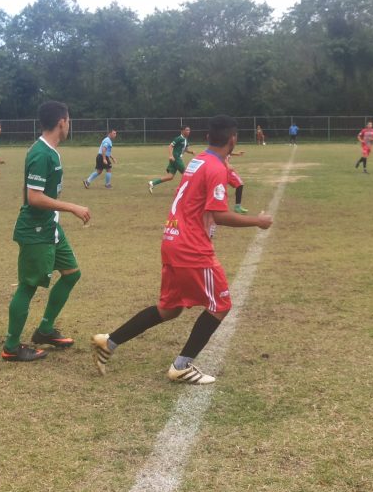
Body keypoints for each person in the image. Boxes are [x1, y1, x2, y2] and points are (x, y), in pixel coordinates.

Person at [92, 115, 273, 384]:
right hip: (191, 246)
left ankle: (110, 341)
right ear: (232, 140)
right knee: (221, 304)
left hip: (172, 238)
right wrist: (257, 222)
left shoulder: (199, 159)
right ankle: (181, 365)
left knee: (169, 309)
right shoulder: (215, 168)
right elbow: (219, 214)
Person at [2, 101, 91, 362]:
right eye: (69, 120)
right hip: (36, 229)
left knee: (72, 273)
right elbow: (34, 197)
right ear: (61, 122)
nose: (69, 124)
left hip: (50, 225)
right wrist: (72, 207)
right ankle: (11, 346)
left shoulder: (49, 150)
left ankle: (44, 329)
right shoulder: (42, 153)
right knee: (28, 286)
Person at [148, 126, 194, 193]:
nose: (188, 131)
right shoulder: (179, 138)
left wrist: (191, 152)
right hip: (176, 158)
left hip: (176, 159)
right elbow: (170, 146)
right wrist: (171, 156)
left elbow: (186, 150)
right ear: (182, 131)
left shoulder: (186, 140)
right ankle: (183, 190)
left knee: (170, 176)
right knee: (186, 174)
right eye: (187, 130)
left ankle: (152, 183)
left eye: (189, 130)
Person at [227, 149, 248, 214]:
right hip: (225, 170)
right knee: (240, 184)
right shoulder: (221, 143)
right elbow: (219, 153)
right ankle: (237, 207)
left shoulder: (224, 145)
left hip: (224, 169)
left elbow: (227, 152)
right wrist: (226, 163)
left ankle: (237, 207)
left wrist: (237, 154)